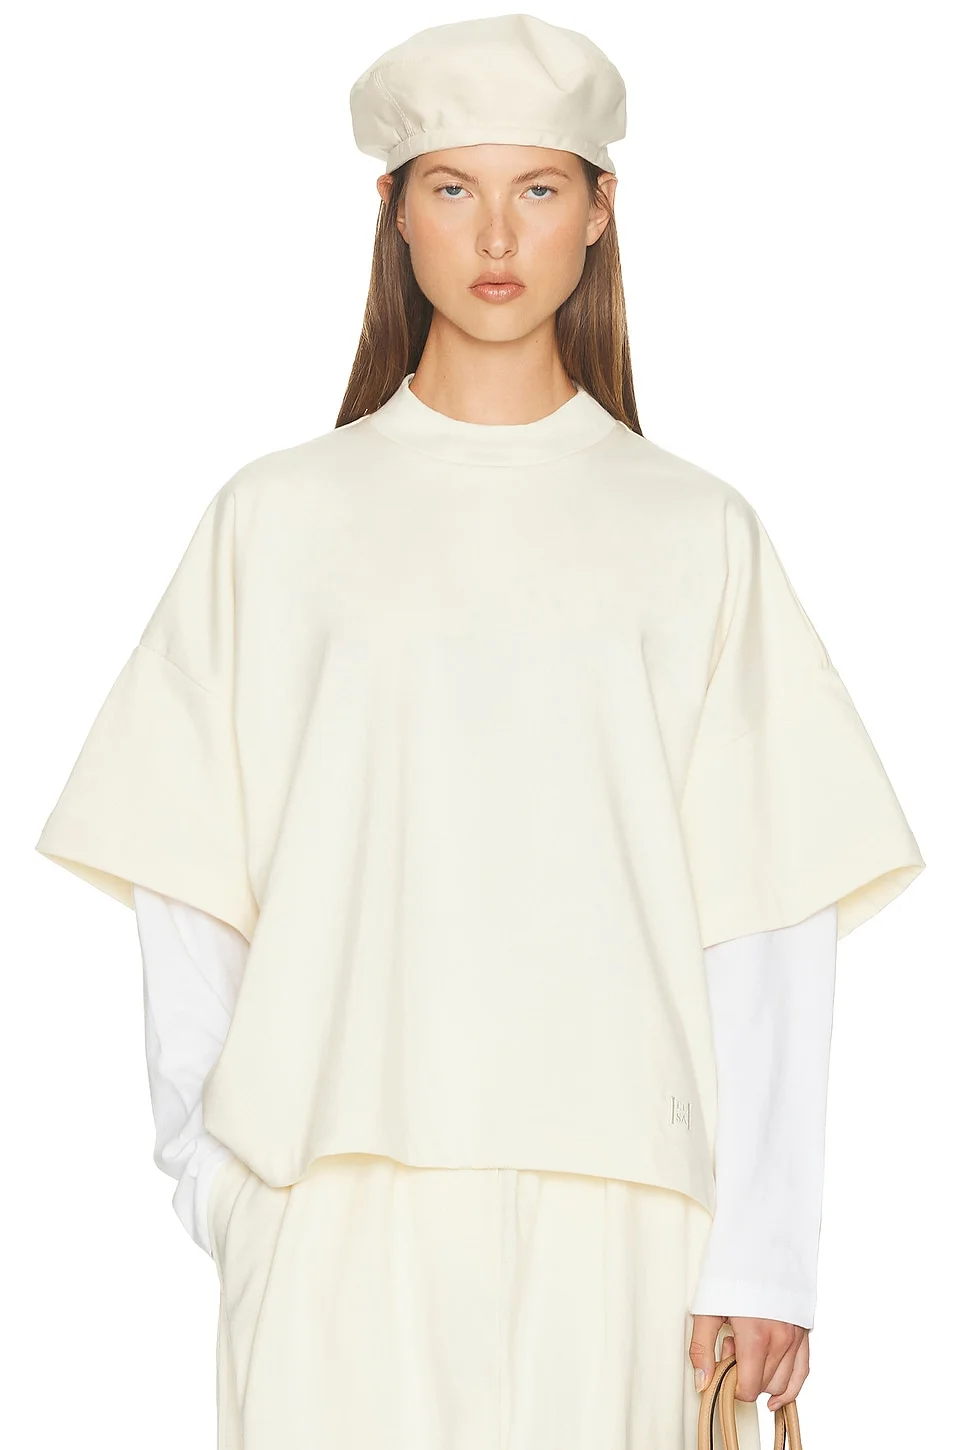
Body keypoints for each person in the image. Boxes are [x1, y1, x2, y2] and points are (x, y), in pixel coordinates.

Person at [34, 15, 924, 1449]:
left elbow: (765, 911)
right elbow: (189, 872)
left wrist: (763, 1250)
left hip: (625, 1218)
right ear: (392, 210)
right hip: (333, 1203)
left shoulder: (694, 531)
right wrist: (220, 1174)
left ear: (599, 211)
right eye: (452, 187)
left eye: (539, 188)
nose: (497, 235)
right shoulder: (276, 518)